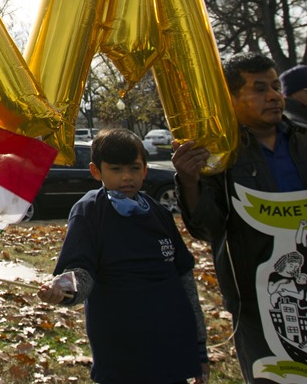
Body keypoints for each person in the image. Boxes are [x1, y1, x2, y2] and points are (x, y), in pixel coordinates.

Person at [174, 51, 307, 382]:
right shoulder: (221, 156)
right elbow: (209, 228)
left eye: (276, 87)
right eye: (260, 89)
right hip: (257, 300)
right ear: (230, 97)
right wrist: (190, 181)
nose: (274, 97)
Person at [38, 128, 208, 383]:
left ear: (145, 170)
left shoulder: (159, 213)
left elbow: (184, 278)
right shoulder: (89, 211)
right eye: (115, 169)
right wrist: (64, 288)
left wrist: (199, 350)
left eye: (134, 168)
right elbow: (80, 271)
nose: (126, 177)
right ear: (97, 171)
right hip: (120, 346)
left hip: (173, 343)